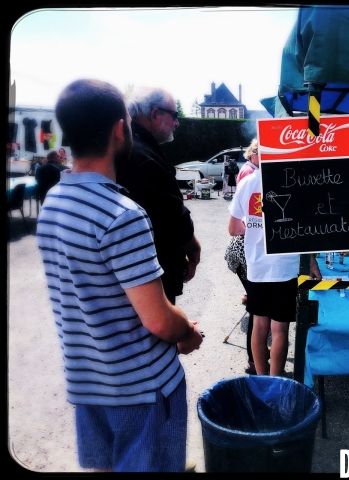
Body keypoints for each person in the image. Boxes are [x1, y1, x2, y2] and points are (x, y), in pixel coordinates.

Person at [36, 79, 203, 472]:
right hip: (141, 390)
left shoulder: (54, 203)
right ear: (118, 128)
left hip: (88, 382)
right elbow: (160, 320)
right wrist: (188, 332)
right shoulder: (122, 216)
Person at [228, 165, 322, 377]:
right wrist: (312, 261)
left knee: (259, 326)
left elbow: (233, 229)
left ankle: (262, 379)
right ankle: (276, 379)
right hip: (284, 266)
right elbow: (303, 230)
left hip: (256, 266)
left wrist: (253, 228)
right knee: (279, 329)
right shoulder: (295, 181)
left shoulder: (247, 182)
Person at [116, 86, 201, 305]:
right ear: (155, 114)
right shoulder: (143, 155)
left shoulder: (128, 145)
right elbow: (173, 217)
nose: (177, 123)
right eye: (174, 116)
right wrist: (194, 250)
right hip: (151, 272)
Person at [225, 139, 259, 374]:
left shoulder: (253, 172)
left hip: (245, 250)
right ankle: (253, 361)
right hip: (244, 251)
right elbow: (240, 221)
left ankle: (254, 360)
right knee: (258, 312)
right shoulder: (250, 174)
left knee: (258, 309)